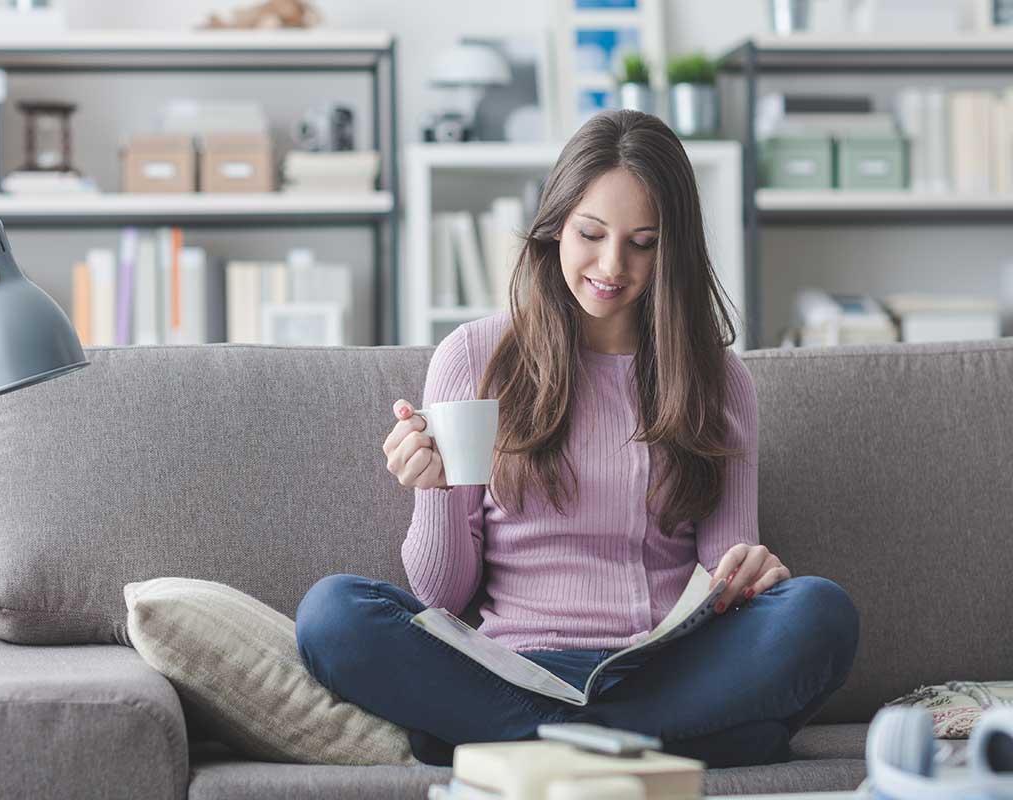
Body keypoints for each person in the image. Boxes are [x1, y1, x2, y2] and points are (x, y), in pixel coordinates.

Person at [294, 109, 859, 769]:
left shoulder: (717, 378)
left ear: (671, 248)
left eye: (642, 242)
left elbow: (723, 573)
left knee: (820, 612)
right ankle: (667, 744)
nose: (611, 265)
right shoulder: (474, 356)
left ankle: (512, 743)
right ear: (556, 224)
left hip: (663, 665)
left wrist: (750, 575)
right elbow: (441, 597)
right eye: (591, 233)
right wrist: (436, 491)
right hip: (510, 669)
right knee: (332, 614)